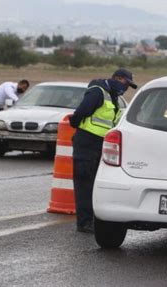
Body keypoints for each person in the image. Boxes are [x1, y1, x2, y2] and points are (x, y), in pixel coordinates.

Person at [69, 69, 137, 233]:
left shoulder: (116, 98)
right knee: (85, 183)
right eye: (125, 83)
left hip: (103, 145)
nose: (125, 87)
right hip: (87, 141)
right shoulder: (98, 91)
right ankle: (84, 223)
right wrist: (77, 125)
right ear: (117, 78)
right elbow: (80, 113)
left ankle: (93, 219)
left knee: (96, 184)